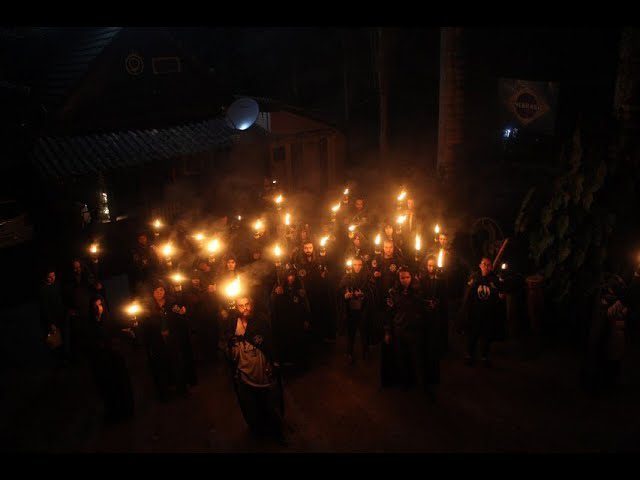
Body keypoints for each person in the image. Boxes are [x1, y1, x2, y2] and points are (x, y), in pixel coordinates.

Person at [223, 296, 285, 444]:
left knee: (270, 406)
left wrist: (273, 362)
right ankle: (258, 433)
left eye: (247, 304)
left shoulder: (261, 321)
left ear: (252, 304)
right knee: (252, 407)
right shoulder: (232, 324)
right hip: (244, 374)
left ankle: (276, 433)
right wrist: (231, 347)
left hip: (263, 373)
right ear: (236, 307)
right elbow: (226, 345)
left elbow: (271, 342)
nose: (245, 308)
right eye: (241, 305)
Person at [86, 295, 134, 423]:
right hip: (102, 362)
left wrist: (127, 329)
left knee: (121, 384)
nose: (99, 308)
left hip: (114, 358)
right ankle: (114, 412)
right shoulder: (90, 324)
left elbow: (116, 330)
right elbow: (90, 342)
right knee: (109, 387)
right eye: (96, 305)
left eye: (100, 305)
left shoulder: (108, 319)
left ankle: (126, 410)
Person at [142, 280, 190, 401]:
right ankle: (164, 392)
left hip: (172, 339)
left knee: (177, 364)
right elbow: (146, 326)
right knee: (161, 366)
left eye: (161, 290)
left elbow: (180, 320)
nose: (159, 293)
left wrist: (182, 313)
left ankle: (181, 389)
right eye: (156, 291)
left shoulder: (172, 304)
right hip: (157, 342)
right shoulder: (148, 308)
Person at [382, 268, 425, 389]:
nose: (405, 280)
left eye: (407, 277)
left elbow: (421, 309)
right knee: (401, 358)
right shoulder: (393, 293)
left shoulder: (417, 291)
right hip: (399, 329)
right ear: (398, 279)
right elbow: (389, 313)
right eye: (402, 278)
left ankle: (419, 382)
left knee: (416, 357)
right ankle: (404, 382)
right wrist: (387, 332)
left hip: (414, 330)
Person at [459, 257, 506, 367]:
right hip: (475, 313)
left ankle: (484, 357)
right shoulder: (474, 278)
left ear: (491, 267)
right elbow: (468, 294)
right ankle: (469, 355)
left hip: (488, 314)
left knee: (486, 336)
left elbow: (499, 294)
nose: (486, 266)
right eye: (484, 264)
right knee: (472, 335)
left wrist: (500, 296)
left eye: (488, 265)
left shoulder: (495, 279)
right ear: (480, 265)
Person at [292, 241, 332, 341]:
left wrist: (324, 273)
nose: (308, 250)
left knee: (318, 313)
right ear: (303, 249)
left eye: (310, 248)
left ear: (313, 248)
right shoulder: (299, 262)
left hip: (318, 292)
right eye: (306, 248)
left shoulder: (319, 260)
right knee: (307, 313)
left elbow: (324, 272)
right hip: (306, 293)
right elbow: (298, 277)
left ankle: (320, 335)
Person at [270, 269, 310, 367]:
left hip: (297, 320)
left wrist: (306, 319)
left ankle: (298, 360)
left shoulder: (299, 287)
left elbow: (304, 304)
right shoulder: (280, 286)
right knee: (285, 340)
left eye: (293, 276)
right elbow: (273, 302)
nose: (291, 278)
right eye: (289, 276)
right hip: (284, 320)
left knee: (297, 340)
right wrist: (276, 293)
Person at [339, 257, 374, 364]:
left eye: (359, 265)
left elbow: (373, 291)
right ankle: (349, 353)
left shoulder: (367, 277)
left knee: (364, 331)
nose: (357, 267)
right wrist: (345, 295)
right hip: (351, 309)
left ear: (363, 266)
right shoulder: (347, 277)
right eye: (355, 264)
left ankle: (365, 352)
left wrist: (363, 295)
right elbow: (341, 289)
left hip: (363, 309)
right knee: (351, 332)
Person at [39, 268, 67, 364]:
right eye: (49, 277)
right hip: (52, 320)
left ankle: (65, 360)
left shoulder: (57, 285)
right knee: (55, 342)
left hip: (61, 317)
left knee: (64, 340)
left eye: (53, 276)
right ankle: (57, 362)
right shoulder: (43, 289)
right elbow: (45, 308)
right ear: (45, 277)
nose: (52, 278)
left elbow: (61, 300)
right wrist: (51, 323)